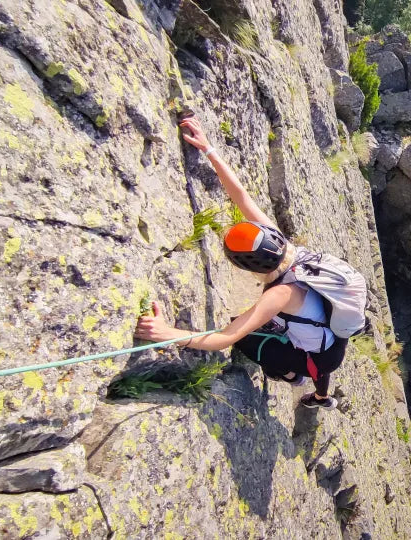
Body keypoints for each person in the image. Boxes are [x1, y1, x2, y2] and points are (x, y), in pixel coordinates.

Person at [134, 115, 345, 410]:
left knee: (248, 339)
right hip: (334, 336)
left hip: (320, 351)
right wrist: (208, 149)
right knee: (321, 365)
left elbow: (226, 337)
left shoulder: (280, 294)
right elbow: (242, 198)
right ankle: (322, 397)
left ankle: (292, 376)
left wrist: (167, 334)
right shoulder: (287, 249)